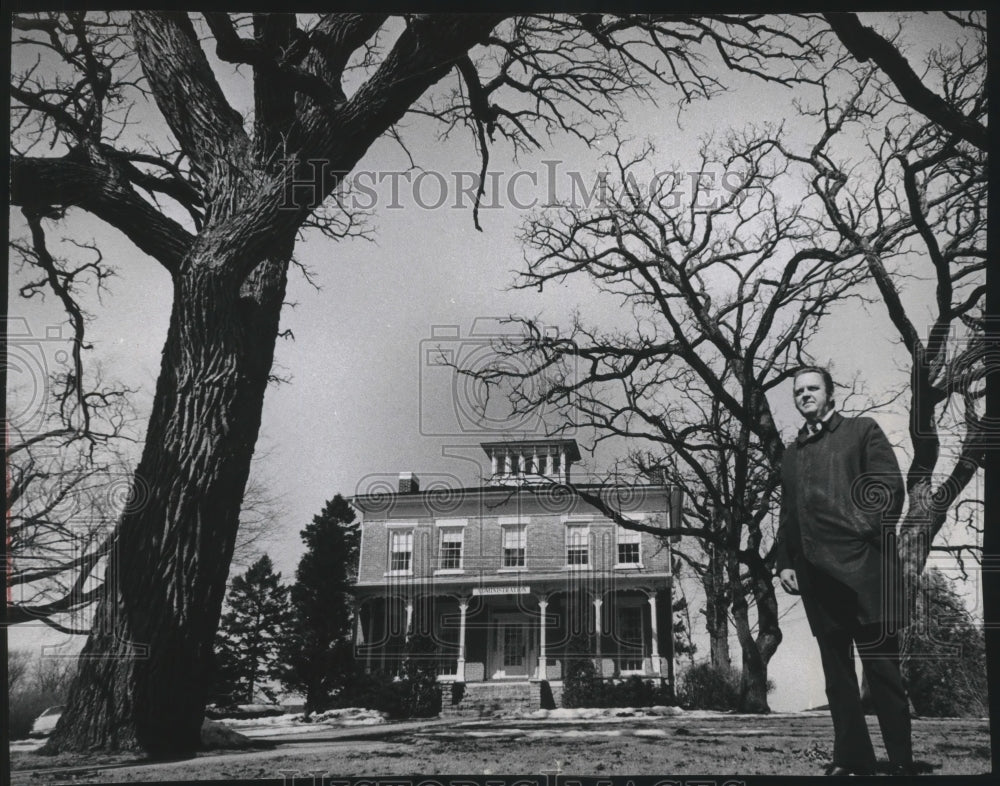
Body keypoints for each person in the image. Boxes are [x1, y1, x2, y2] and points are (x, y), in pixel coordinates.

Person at [775, 366, 915, 777]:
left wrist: (860, 533)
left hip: (867, 573)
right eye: (798, 391)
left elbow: (888, 488)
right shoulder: (790, 453)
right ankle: (853, 759)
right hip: (816, 577)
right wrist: (784, 561)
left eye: (812, 388)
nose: (805, 395)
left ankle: (903, 763)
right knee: (837, 677)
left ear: (830, 395)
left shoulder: (861, 431)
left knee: (883, 672)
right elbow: (787, 515)